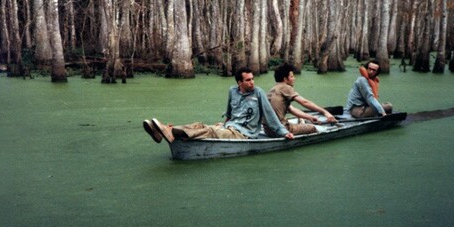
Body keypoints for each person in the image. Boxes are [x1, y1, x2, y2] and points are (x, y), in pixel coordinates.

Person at [143, 67, 294, 143]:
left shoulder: (258, 93)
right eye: (248, 80)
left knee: (210, 131)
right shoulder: (232, 91)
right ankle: (163, 131)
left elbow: (270, 116)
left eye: (252, 79)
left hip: (244, 134)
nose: (252, 82)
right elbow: (229, 114)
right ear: (239, 82)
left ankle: (168, 130)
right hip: (229, 128)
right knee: (199, 125)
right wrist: (224, 124)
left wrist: (283, 132)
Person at [263, 63, 337, 137]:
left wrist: (309, 117)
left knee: (300, 121)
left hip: (268, 131)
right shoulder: (285, 87)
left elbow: (292, 110)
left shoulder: (273, 89)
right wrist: (325, 112)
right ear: (285, 79)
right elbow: (304, 102)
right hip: (282, 130)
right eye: (292, 76)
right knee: (312, 128)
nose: (294, 78)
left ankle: (301, 123)